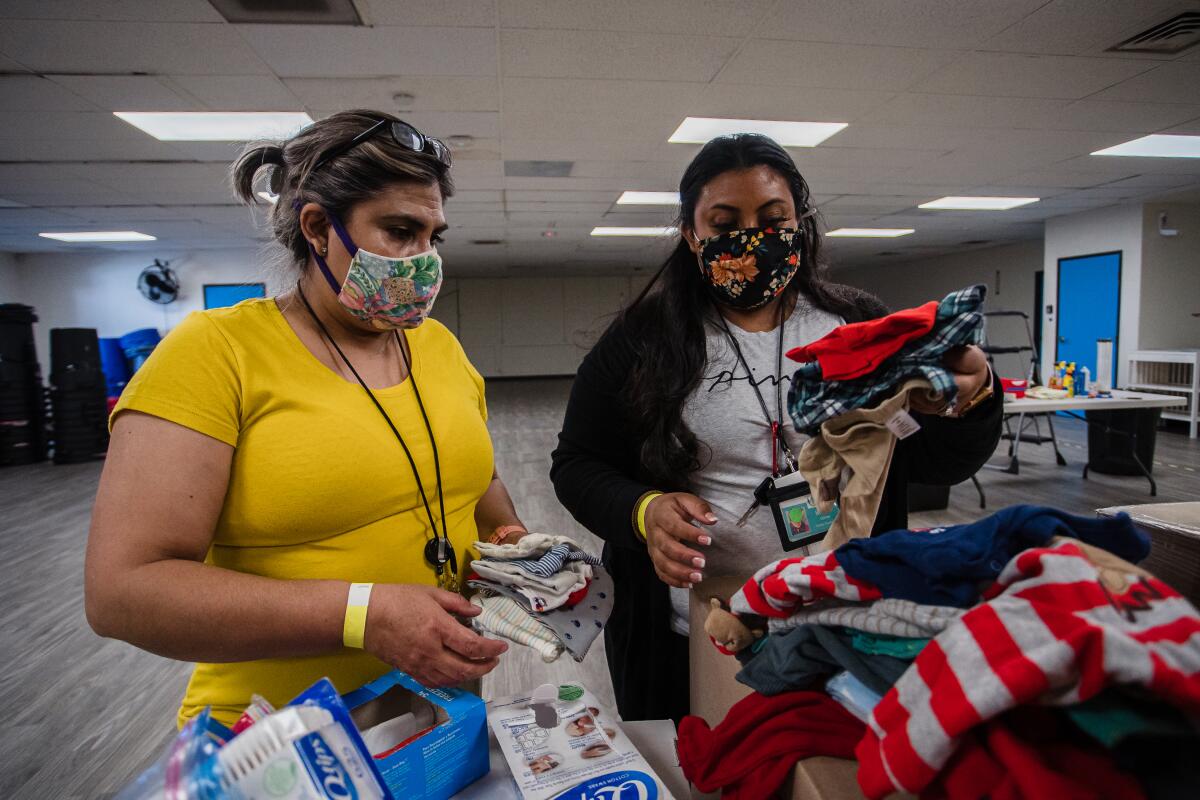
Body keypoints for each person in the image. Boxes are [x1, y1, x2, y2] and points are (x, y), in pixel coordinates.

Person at [85, 110, 531, 728]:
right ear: (318, 227)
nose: (423, 259)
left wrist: (513, 539)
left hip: (432, 717)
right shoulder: (216, 353)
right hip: (277, 737)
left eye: (434, 236)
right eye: (400, 230)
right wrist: (363, 615)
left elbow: (469, 478)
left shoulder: (438, 347)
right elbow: (123, 593)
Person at [550, 134, 1002, 723]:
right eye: (724, 221)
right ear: (691, 235)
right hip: (696, 627)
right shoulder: (642, 340)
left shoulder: (858, 323)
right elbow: (578, 464)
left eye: (772, 218)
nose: (751, 238)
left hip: (846, 622)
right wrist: (643, 511)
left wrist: (975, 397)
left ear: (801, 224)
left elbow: (939, 463)